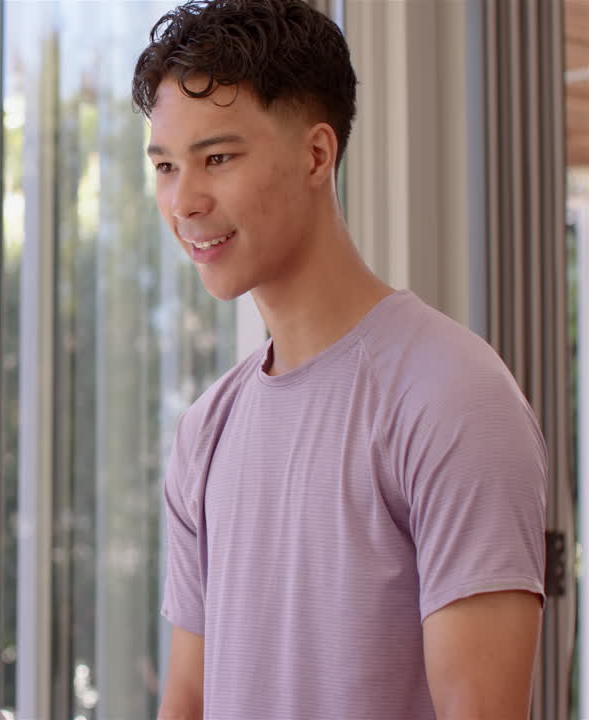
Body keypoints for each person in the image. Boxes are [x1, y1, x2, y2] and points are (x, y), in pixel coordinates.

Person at [132, 1, 546, 718]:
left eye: (217, 158)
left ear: (317, 155)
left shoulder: (452, 397)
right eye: (166, 166)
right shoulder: (206, 431)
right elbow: (189, 701)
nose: (185, 200)